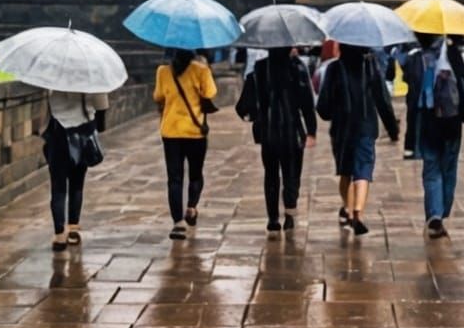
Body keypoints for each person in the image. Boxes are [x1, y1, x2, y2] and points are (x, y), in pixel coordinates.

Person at [316, 43, 398, 234]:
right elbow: (383, 100)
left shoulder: (334, 68)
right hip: (365, 125)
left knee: (345, 172)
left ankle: (348, 208)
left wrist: (332, 112)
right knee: (363, 170)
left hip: (341, 128)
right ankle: (358, 212)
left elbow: (323, 106)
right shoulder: (370, 66)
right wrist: (392, 128)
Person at [235, 48, 317, 232]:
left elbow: (243, 106)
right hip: (292, 130)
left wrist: (255, 115)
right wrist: (311, 130)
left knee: (271, 174)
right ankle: (289, 210)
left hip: (268, 131)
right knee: (292, 173)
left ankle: (273, 218)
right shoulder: (297, 67)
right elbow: (307, 103)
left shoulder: (259, 68)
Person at [402, 32, 464, 236]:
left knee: (431, 166)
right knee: (449, 166)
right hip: (451, 118)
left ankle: (434, 213)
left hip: (427, 117)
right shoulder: (452, 53)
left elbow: (409, 82)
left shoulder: (415, 57)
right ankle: (442, 212)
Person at [153, 49, 217, 239]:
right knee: (195, 174)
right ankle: (191, 207)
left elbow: (158, 96)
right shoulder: (201, 70)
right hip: (195, 132)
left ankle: (178, 223)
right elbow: (211, 93)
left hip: (171, 131)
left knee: (174, 178)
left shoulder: (163, 71)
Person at [42, 88, 110, 250]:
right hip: (84, 130)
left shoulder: (53, 75)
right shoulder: (88, 73)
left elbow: (43, 107)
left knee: (58, 186)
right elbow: (101, 102)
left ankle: (59, 235)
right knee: (77, 183)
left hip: (59, 130)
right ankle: (73, 227)